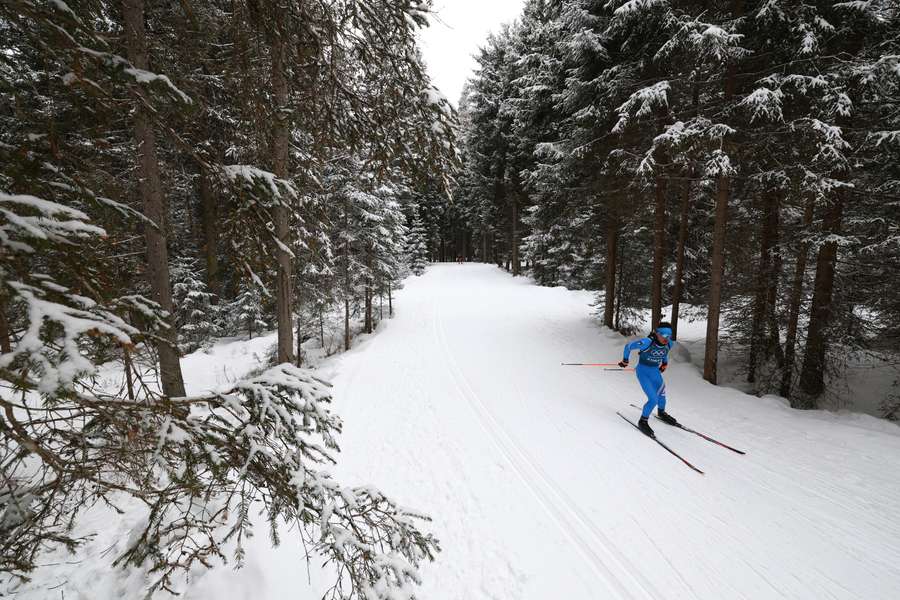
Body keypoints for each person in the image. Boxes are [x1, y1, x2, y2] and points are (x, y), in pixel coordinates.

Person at [618, 321, 677, 437]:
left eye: (669, 335)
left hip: (655, 372)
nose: (666, 338)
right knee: (653, 399)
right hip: (643, 372)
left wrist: (664, 363)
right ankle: (643, 421)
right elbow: (628, 346)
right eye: (664, 335)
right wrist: (625, 360)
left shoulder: (669, 343)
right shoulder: (646, 342)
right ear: (657, 333)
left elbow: (664, 352)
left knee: (662, 396)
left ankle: (661, 413)